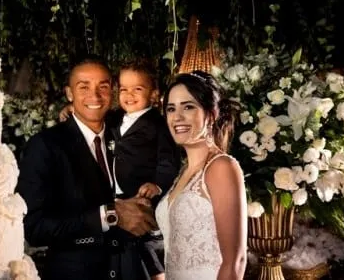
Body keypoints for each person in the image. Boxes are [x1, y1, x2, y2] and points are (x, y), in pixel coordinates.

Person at [16, 57, 158, 280]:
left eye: (103, 86)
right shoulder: (45, 145)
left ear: (112, 92)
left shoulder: (127, 134)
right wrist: (107, 215)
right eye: (84, 87)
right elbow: (33, 228)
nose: (95, 95)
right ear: (69, 94)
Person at [59, 59, 181, 280]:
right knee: (124, 244)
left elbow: (168, 161)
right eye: (124, 89)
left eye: (137, 89)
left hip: (142, 192)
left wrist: (158, 184)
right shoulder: (116, 118)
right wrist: (72, 108)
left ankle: (159, 275)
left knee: (145, 238)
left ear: (153, 94)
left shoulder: (158, 125)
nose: (129, 94)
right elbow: (93, 115)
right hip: (118, 195)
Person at [155, 70, 247, 280]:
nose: (177, 117)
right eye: (171, 109)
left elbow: (236, 261)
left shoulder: (221, 167)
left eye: (188, 107)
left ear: (211, 114)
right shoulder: (183, 172)